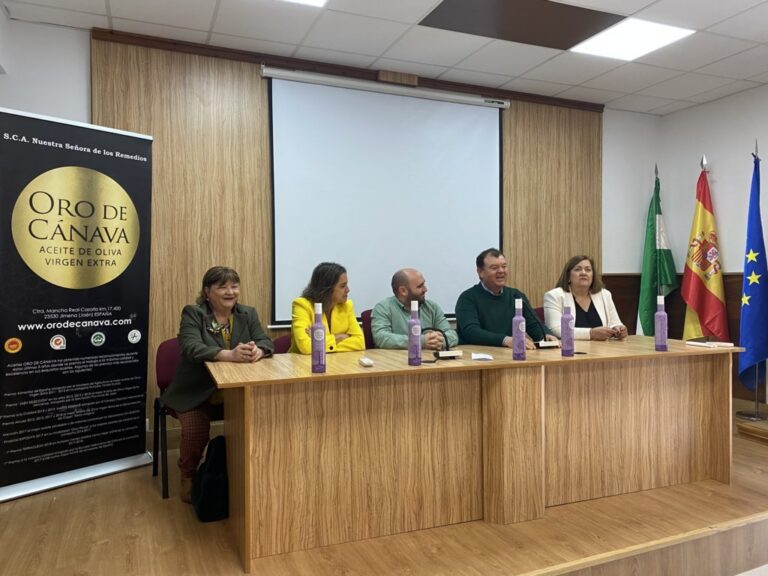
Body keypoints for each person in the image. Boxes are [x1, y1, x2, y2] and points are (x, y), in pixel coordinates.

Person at [161, 266, 274, 502]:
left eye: (234, 286)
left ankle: (250, 474)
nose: (230, 292)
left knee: (262, 420)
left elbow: (264, 340)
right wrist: (228, 355)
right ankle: (188, 476)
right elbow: (191, 347)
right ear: (207, 291)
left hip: (237, 389)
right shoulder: (194, 313)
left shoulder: (247, 313)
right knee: (196, 431)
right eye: (222, 287)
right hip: (196, 391)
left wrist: (259, 351)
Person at [456, 248, 557, 349]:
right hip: (477, 354)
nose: (501, 271)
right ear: (480, 272)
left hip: (509, 353)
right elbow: (471, 332)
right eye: (494, 268)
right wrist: (505, 340)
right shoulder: (467, 298)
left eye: (504, 266)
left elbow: (533, 324)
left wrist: (545, 335)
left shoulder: (516, 295)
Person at [543, 255, 628, 341]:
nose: (583, 273)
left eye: (588, 270)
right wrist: (590, 333)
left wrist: (618, 329)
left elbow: (615, 322)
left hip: (602, 348)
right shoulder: (554, 296)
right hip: (569, 347)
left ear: (593, 276)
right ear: (568, 275)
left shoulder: (604, 294)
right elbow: (555, 330)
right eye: (577, 269)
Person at [371, 268, 458, 350]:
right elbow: (381, 338)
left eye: (424, 284)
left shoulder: (432, 307)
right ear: (403, 291)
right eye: (420, 286)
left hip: (430, 358)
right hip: (396, 359)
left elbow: (452, 335)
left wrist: (437, 341)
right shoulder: (383, 308)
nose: (425, 289)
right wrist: (420, 341)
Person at [289, 262, 365, 353]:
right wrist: (339, 337)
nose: (348, 290)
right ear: (327, 289)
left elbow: (360, 343)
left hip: (338, 360)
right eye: (342, 286)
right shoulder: (302, 305)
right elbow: (306, 347)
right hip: (305, 361)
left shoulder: (347, 305)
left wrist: (320, 340)